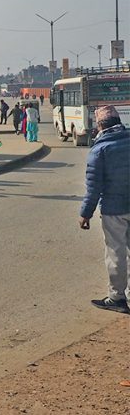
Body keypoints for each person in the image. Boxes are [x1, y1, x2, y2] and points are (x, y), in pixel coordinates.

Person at [78, 106, 130, 313]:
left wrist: (85, 214)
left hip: (114, 211)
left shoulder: (100, 150)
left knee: (116, 254)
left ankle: (117, 297)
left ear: (100, 125)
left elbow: (94, 187)